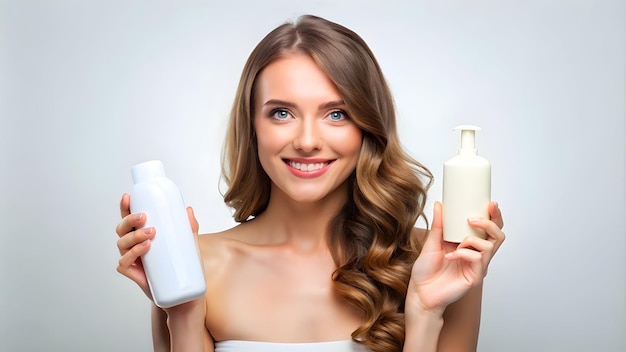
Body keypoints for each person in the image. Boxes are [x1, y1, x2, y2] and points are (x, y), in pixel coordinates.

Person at [115, 14, 505, 352]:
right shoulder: (191, 265)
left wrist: (425, 313)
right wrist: (181, 313)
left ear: (368, 127)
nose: (306, 141)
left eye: (336, 114)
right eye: (281, 113)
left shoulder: (438, 261)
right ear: (252, 127)